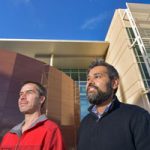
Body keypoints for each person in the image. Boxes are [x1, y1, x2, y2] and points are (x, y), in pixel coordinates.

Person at [77, 59, 150, 150]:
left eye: (97, 77)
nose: (90, 82)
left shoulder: (138, 116)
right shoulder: (84, 123)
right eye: (88, 79)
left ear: (114, 83)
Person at [0, 81, 65, 150]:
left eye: (29, 93)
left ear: (41, 99)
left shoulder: (51, 130)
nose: (22, 97)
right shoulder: (9, 135)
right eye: (21, 94)